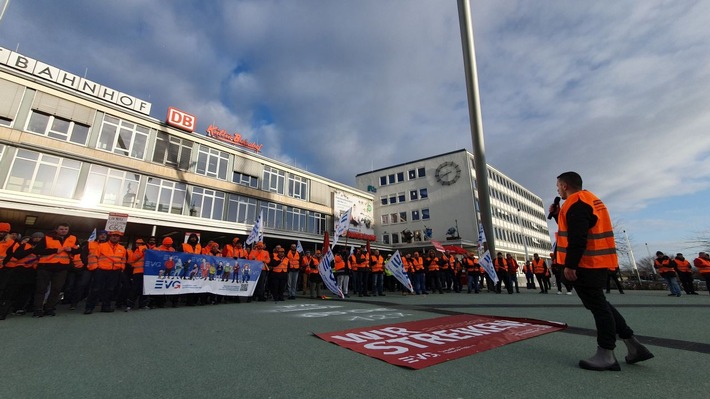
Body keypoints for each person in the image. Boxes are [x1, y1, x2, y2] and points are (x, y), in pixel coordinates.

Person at [550, 171, 653, 371]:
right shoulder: (590, 200)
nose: (557, 190)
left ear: (564, 186)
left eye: (558, 186)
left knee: (599, 308)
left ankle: (606, 353)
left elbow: (578, 237)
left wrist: (570, 265)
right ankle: (633, 345)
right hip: (596, 262)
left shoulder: (576, 203)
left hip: (585, 265)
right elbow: (579, 229)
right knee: (601, 304)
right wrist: (556, 215)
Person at [32, 223, 80, 317]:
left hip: (62, 268)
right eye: (61, 229)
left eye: (66, 229)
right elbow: (37, 251)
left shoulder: (73, 238)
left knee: (56, 289)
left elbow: (79, 250)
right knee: (41, 289)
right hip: (46, 266)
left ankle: (49, 308)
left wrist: (71, 250)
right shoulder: (47, 238)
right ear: (56, 229)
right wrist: (54, 250)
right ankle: (38, 308)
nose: (64, 231)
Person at [84, 231, 127, 314]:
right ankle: (89, 307)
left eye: (117, 236)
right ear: (109, 237)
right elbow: (93, 257)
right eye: (113, 236)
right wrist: (95, 268)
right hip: (101, 271)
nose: (115, 237)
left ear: (119, 238)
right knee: (96, 289)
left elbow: (123, 260)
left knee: (110, 290)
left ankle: (106, 306)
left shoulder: (122, 248)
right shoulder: (101, 246)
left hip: (114, 271)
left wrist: (121, 268)